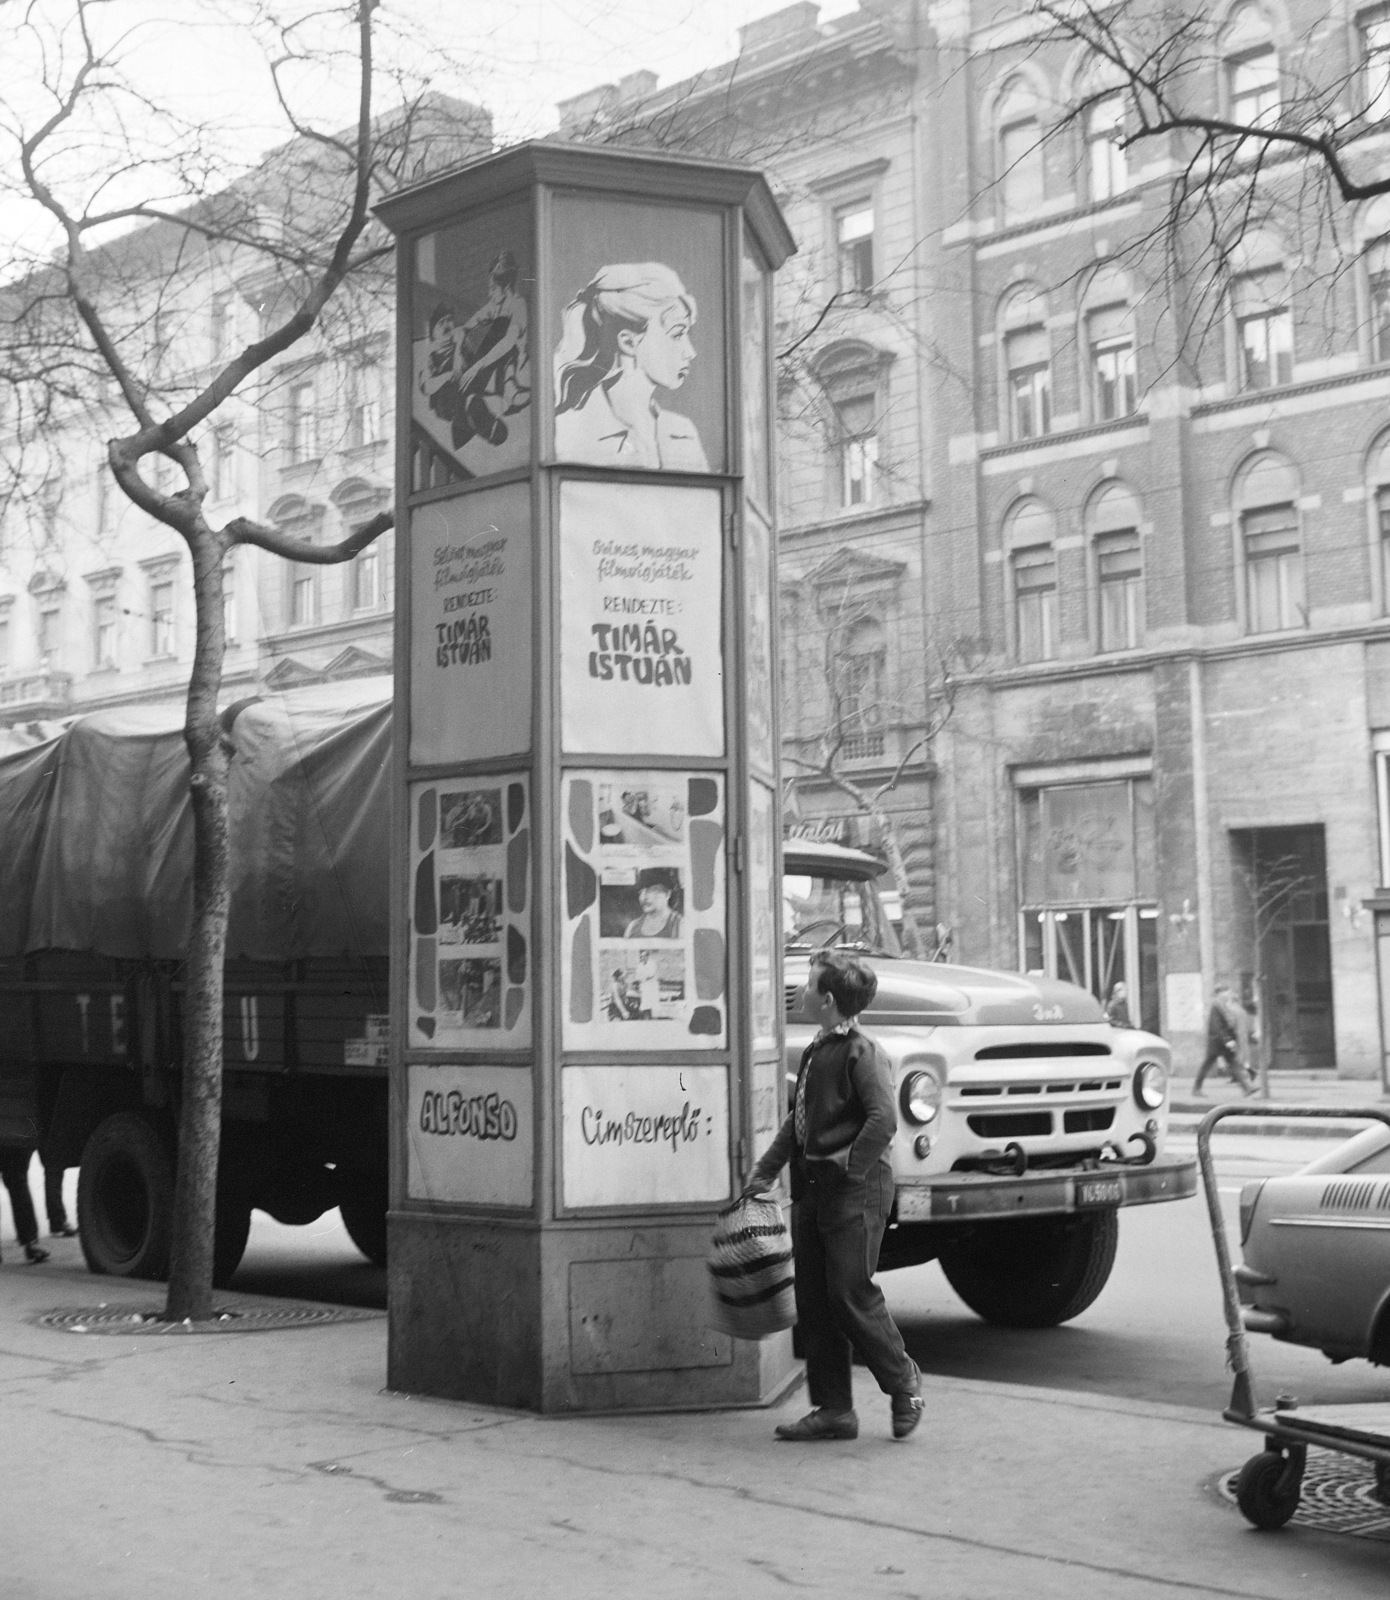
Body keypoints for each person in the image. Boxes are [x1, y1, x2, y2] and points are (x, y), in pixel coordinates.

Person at [744, 951, 923, 1442]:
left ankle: (903, 1381)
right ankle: (834, 1410)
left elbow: (883, 1119)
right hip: (814, 1188)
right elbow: (799, 1122)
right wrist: (766, 1171)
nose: (799, 993)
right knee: (817, 1301)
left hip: (855, 1191)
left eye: (806, 986)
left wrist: (848, 1166)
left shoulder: (861, 1053)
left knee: (849, 1292)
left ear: (826, 1000)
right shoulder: (817, 1050)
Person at [553, 263, 708, 471]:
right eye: (677, 334)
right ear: (628, 342)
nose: (690, 352)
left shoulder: (683, 432)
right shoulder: (574, 429)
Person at [1193, 984, 1255, 1096]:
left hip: (1222, 1042)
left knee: (1233, 1063)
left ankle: (1247, 1089)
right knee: (1207, 1064)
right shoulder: (1216, 1007)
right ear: (1220, 993)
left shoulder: (1223, 1005)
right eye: (1226, 991)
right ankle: (1196, 1089)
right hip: (1216, 1042)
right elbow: (1217, 1026)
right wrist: (1227, 1040)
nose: (1228, 993)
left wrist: (1229, 1039)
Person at [0, 1145, 51, 1264]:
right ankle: (30, 1243)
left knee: (18, 1181)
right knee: (18, 1182)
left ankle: (30, 1241)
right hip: (18, 1135)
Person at [623, 868, 683, 940]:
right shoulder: (632, 927)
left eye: (650, 890)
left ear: (667, 894)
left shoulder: (680, 925)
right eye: (641, 892)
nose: (643, 897)